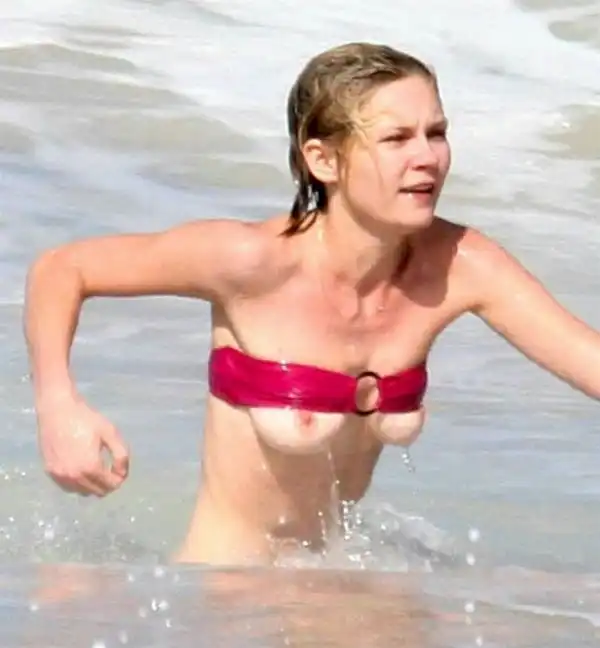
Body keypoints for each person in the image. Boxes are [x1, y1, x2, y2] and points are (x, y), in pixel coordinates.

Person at [23, 42, 600, 566]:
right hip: (227, 598)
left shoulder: (460, 263)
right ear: (323, 160)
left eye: (437, 133)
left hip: (340, 576)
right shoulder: (252, 262)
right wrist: (59, 406)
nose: (427, 157)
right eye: (396, 139)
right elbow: (62, 269)